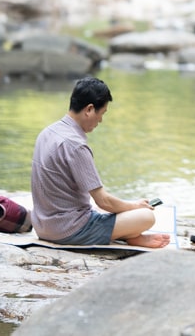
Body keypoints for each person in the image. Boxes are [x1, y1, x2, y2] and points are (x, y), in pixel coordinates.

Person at [30, 77, 170, 248]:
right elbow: (103, 201)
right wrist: (135, 206)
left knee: (118, 209)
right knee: (145, 216)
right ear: (89, 109)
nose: (101, 121)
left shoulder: (47, 132)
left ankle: (127, 234)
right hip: (68, 230)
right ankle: (129, 235)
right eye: (101, 114)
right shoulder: (76, 146)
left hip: (42, 226)